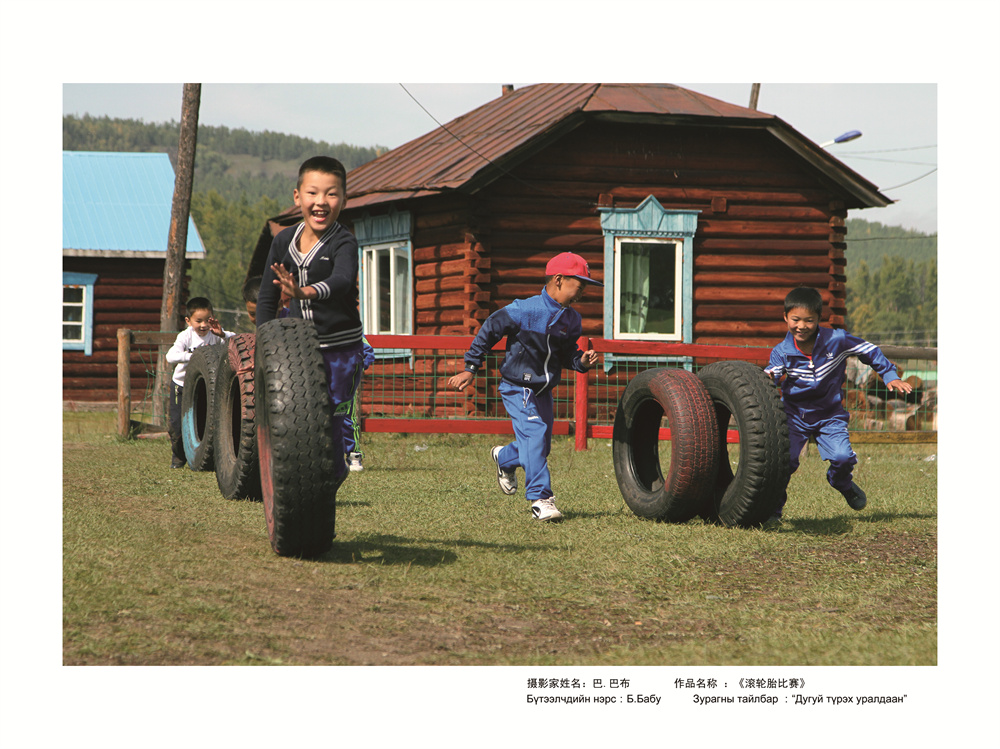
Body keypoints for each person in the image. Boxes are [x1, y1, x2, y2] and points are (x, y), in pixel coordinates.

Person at [447, 252, 601, 521]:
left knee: (540, 445)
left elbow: (567, 355)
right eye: (580, 285)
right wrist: (471, 367)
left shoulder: (572, 320)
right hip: (517, 387)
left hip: (543, 391)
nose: (583, 292)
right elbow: (490, 328)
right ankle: (541, 499)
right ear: (559, 280)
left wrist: (581, 362)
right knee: (534, 434)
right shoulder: (525, 310)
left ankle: (505, 458)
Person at [255, 156, 364, 490]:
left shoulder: (343, 242)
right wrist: (263, 344)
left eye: (331, 194)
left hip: (339, 348)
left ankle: (330, 478)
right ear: (297, 196)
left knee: (329, 414)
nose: (321, 202)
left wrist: (304, 292)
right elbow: (267, 297)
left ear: (344, 199)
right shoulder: (283, 241)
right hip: (296, 348)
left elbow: (342, 280)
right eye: (313, 193)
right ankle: (296, 481)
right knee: (294, 413)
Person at [764, 286, 913, 519]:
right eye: (795, 319)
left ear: (818, 319)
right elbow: (771, 374)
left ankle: (841, 482)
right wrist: (766, 378)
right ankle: (773, 510)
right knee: (785, 461)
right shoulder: (782, 352)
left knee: (842, 457)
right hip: (794, 415)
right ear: (785, 317)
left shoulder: (837, 340)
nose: (801, 326)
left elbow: (869, 350)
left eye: (809, 320)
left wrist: (889, 374)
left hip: (829, 415)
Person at [165, 296, 234, 468]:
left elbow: (236, 340)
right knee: (176, 424)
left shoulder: (215, 335)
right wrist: (194, 357)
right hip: (181, 386)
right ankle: (178, 456)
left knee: (202, 422)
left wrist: (222, 334)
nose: (203, 325)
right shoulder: (185, 337)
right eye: (198, 321)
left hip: (204, 387)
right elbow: (171, 356)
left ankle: (201, 457)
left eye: (207, 320)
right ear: (188, 321)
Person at [344, 336, 375, 472]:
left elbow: (368, 351)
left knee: (347, 418)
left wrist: (355, 370)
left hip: (345, 382)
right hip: (317, 382)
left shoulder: (349, 329)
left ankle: (354, 455)